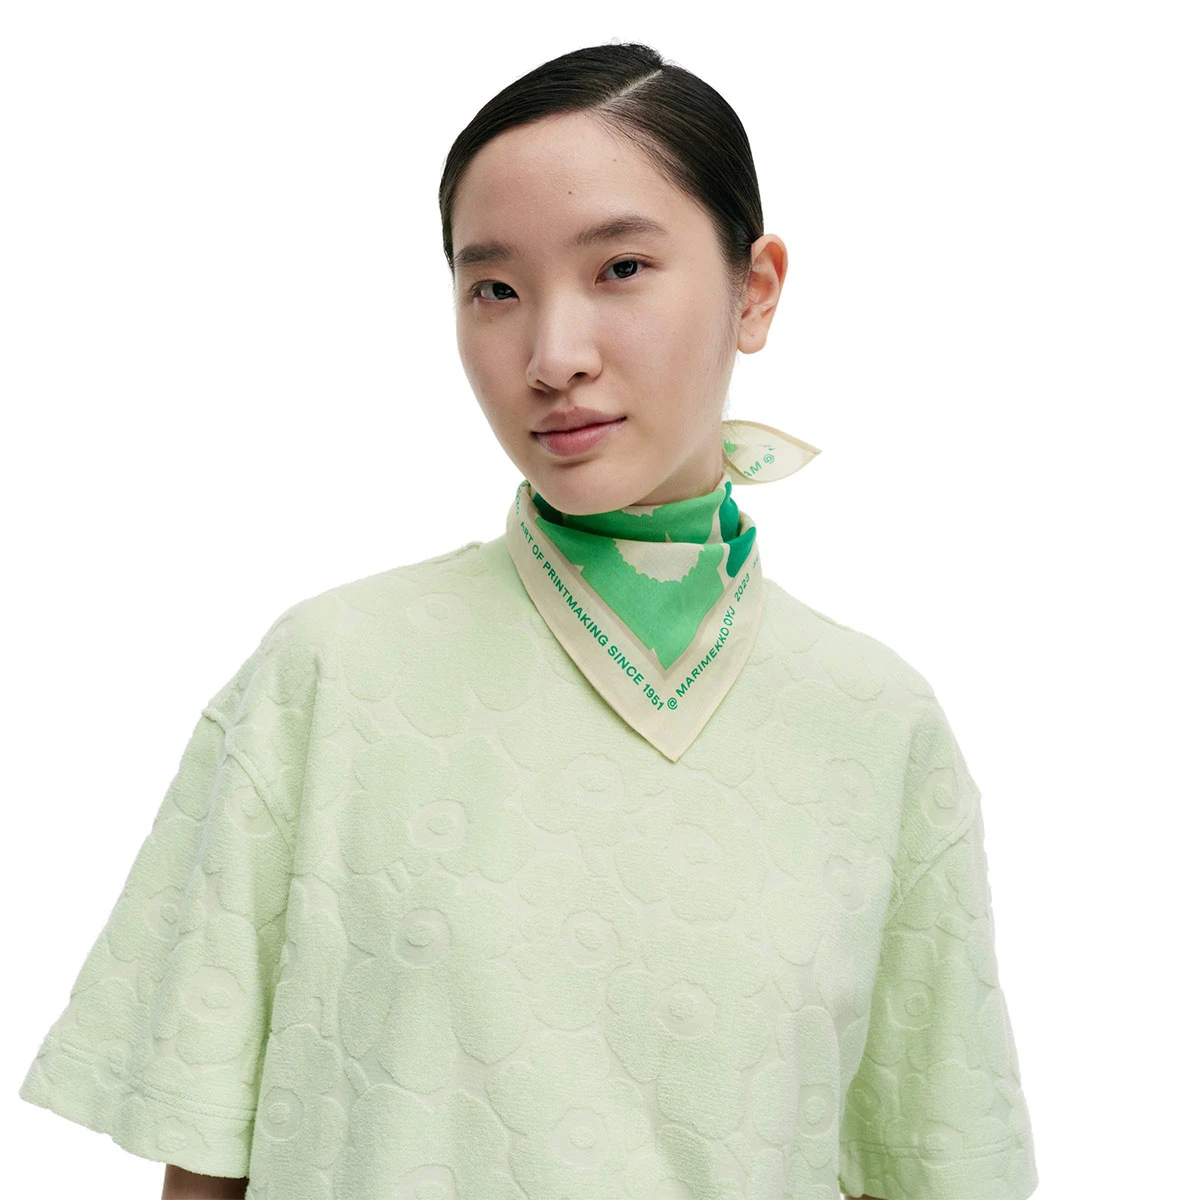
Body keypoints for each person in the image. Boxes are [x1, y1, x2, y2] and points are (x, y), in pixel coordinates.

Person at [18, 40, 1038, 1200]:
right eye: (494, 290)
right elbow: (205, 1160)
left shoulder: (876, 723)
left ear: (755, 290)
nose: (553, 358)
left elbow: (929, 1166)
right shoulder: (332, 676)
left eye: (621, 268)